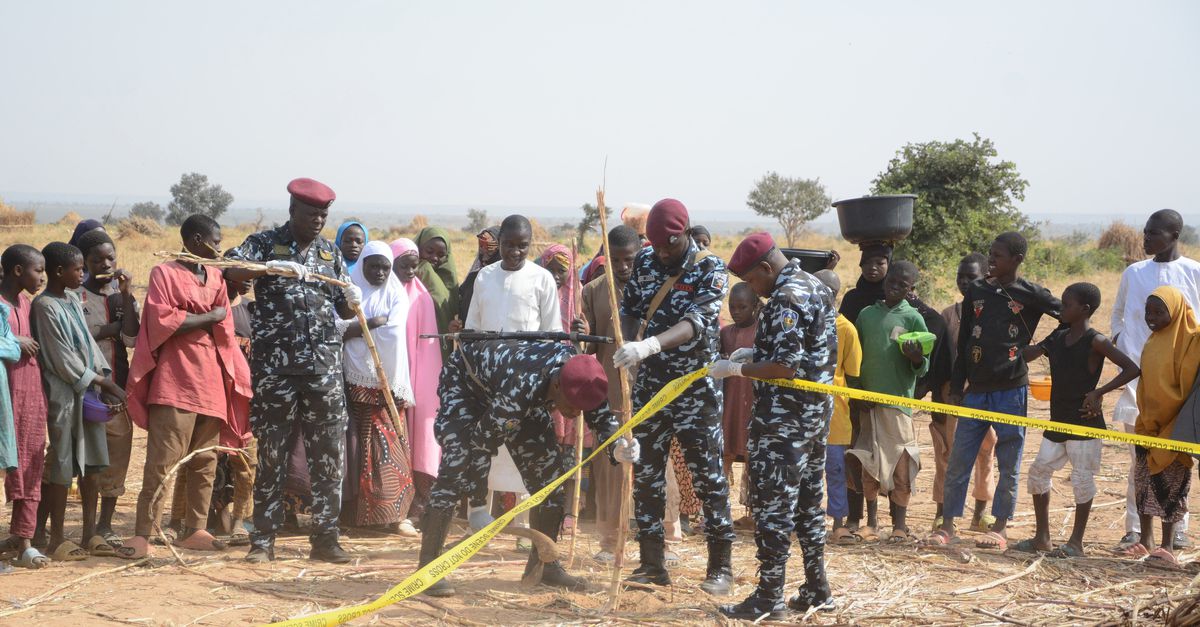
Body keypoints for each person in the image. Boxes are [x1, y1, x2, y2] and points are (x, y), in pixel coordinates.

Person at [414, 342, 634, 596]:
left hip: (517, 389)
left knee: (550, 476)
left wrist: (618, 446)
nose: (574, 413)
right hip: (466, 385)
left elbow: (602, 417)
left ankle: (545, 567)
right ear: (556, 386)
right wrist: (477, 506)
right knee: (457, 465)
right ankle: (428, 568)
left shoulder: (583, 376)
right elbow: (482, 445)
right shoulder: (519, 392)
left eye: (580, 408)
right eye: (571, 406)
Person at [224, 177, 364, 564]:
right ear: (293, 211)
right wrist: (268, 267)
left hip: (323, 370)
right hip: (276, 370)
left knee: (328, 455)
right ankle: (263, 539)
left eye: (323, 214)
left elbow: (343, 309)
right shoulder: (264, 244)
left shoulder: (329, 254)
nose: (318, 220)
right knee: (272, 453)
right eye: (311, 213)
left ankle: (325, 538)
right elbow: (231, 271)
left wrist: (353, 300)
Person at [612, 198, 734, 595]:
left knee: (708, 478)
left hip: (695, 388)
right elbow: (630, 307)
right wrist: (629, 343)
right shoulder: (647, 262)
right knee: (646, 475)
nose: (662, 253)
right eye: (657, 245)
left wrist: (649, 346)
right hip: (651, 387)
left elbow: (696, 323)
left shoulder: (709, 267)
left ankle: (720, 568)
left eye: (669, 245)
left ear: (684, 233)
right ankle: (651, 564)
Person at [713, 232, 837, 618]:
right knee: (808, 506)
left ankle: (769, 599)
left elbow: (784, 367)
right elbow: (806, 350)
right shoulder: (815, 284)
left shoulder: (785, 296)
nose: (754, 291)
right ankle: (817, 588)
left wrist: (738, 368)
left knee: (774, 509)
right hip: (814, 418)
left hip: (785, 421)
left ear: (766, 268)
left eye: (752, 281)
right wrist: (758, 351)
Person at [120, 215, 253, 558]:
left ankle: (195, 528)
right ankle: (143, 533)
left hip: (211, 379)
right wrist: (206, 317)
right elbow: (163, 320)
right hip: (174, 379)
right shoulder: (164, 273)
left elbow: (223, 324)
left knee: (205, 460)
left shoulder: (215, 277)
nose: (219, 248)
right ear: (196, 239)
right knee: (162, 461)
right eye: (215, 241)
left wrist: (196, 319)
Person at [930, 232, 1062, 550]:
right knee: (960, 459)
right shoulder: (976, 291)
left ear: (1017, 260)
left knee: (1008, 461)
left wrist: (1042, 347)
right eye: (990, 253)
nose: (992, 259)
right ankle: (947, 525)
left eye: (998, 255)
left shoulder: (1030, 293)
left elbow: (1069, 317)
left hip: (1011, 390)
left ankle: (999, 528)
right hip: (975, 390)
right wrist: (959, 385)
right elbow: (963, 345)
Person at [1011, 282, 1139, 558]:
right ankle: (1042, 537)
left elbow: (1131, 368)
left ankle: (1075, 542)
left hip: (1084, 421)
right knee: (1038, 473)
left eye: (1066, 305)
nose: (1061, 308)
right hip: (1058, 420)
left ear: (1084, 309)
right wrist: (1048, 336)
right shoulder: (1059, 337)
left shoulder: (1096, 340)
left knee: (1081, 480)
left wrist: (1100, 392)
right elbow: (1028, 356)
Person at [463, 215, 561, 538]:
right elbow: (472, 330)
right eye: (508, 245)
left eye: (522, 246)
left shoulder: (542, 279)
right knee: (484, 456)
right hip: (487, 385)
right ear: (499, 242)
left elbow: (553, 337)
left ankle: (525, 531)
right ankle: (479, 523)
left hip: (526, 388)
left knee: (528, 466)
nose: (515, 252)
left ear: (529, 246)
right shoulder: (484, 277)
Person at [1110, 210, 1200, 551]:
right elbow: (1118, 313)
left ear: (1174, 234)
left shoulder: (1194, 272)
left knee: (1178, 459)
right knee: (1140, 459)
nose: (1145, 240)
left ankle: (1178, 529)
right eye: (1145, 233)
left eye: (1153, 234)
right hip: (1138, 380)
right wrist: (1122, 341)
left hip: (1181, 387)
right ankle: (1135, 529)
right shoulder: (1134, 273)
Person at [32, 242, 126, 562]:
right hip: (64, 395)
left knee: (93, 463)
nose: (83, 273)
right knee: (62, 463)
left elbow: (88, 345)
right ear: (60, 272)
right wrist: (102, 382)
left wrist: (102, 382)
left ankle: (89, 533)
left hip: (88, 392)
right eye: (78, 269)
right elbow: (61, 359)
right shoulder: (44, 306)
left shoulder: (72, 299)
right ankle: (56, 538)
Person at [847, 261, 928, 543]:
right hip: (868, 403)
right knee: (869, 463)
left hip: (898, 405)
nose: (895, 287)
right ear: (885, 281)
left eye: (902, 285)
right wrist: (857, 393)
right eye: (891, 281)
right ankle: (870, 522)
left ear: (910, 289)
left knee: (902, 464)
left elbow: (923, 366)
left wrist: (917, 359)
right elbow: (855, 358)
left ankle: (900, 526)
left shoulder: (914, 319)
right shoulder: (867, 315)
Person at [338, 241, 416, 534]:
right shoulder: (350, 292)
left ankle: (389, 514)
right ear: (363, 267)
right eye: (374, 267)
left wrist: (358, 330)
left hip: (385, 387)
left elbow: (393, 333)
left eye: (385, 267)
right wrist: (369, 323)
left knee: (386, 446)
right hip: (353, 382)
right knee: (355, 447)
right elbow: (337, 327)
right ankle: (351, 515)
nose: (380, 273)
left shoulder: (397, 295)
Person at [576, 225, 640, 563]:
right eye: (615, 260)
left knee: (653, 467)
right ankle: (609, 539)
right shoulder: (594, 290)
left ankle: (663, 537)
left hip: (647, 392)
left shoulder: (654, 289)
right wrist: (581, 335)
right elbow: (589, 347)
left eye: (629, 259)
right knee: (610, 465)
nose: (624, 267)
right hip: (611, 394)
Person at [73, 228, 140, 551]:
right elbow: (81, 337)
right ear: (84, 262)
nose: (105, 263)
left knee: (117, 457)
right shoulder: (76, 296)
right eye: (97, 259)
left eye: (110, 257)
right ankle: (87, 527)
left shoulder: (120, 298)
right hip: (86, 389)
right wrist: (105, 330)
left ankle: (105, 525)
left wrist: (126, 296)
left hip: (118, 389)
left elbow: (130, 339)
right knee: (89, 462)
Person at [1126, 287, 1200, 566]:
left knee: (1171, 485)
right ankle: (1146, 540)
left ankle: (1167, 546)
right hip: (1149, 423)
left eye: (1159, 312)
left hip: (1178, 424)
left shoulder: (1193, 340)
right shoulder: (1153, 341)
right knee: (1143, 482)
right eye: (1148, 312)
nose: (1151, 317)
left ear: (1177, 311)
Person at [934, 253, 997, 532]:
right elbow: (940, 358)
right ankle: (943, 512)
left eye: (971, 277)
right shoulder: (949, 315)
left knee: (986, 451)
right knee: (948, 453)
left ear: (986, 277)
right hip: (952, 394)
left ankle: (981, 513)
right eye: (961, 277)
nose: (964, 282)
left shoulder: (996, 313)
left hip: (984, 393)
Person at [0, 246, 50, 568]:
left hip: (30, 394)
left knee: (32, 461)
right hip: (6, 394)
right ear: (18, 270)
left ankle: (24, 539)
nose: (42, 277)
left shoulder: (28, 304)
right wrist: (15, 341)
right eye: (37, 270)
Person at [837, 243, 890, 529]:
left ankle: (886, 519)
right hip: (853, 388)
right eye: (868, 262)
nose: (873, 268)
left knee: (888, 455)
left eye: (880, 262)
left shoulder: (894, 300)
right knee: (854, 454)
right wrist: (854, 388)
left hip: (886, 390)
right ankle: (855, 515)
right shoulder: (853, 299)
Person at [391, 238, 442, 524]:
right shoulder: (384, 292)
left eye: (414, 267)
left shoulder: (422, 298)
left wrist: (416, 386)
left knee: (422, 436)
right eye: (403, 267)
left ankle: (419, 505)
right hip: (388, 376)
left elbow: (430, 349)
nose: (410, 273)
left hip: (418, 379)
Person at [537, 243, 588, 531]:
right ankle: (545, 509)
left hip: (569, 379)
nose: (556, 276)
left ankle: (569, 510)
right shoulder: (538, 293)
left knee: (571, 454)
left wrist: (583, 333)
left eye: (562, 271)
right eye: (551, 270)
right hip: (544, 380)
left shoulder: (579, 297)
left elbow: (588, 341)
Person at [813, 269, 862, 545]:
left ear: (835, 295)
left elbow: (852, 372)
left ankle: (839, 523)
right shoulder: (806, 322)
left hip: (836, 411)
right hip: (805, 410)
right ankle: (808, 520)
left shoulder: (847, 329)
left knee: (835, 468)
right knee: (808, 469)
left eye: (825, 292)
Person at [719, 282, 759, 522]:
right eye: (732, 307)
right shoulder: (725, 334)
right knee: (725, 453)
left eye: (742, 307)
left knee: (754, 458)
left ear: (754, 307)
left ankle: (752, 512)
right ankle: (720, 510)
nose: (736, 311)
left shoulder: (762, 332)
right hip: (730, 402)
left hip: (752, 402)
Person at [414, 226, 461, 348]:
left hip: (442, 345)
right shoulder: (407, 273)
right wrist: (424, 269)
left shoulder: (449, 279)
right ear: (418, 247)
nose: (434, 258)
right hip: (414, 340)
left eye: (441, 255)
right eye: (429, 252)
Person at [458, 226, 500, 322]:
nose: (484, 258)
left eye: (490, 251)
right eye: (481, 248)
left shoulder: (508, 281)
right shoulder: (473, 278)